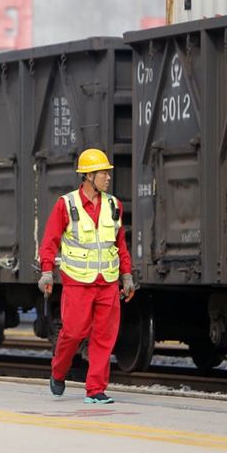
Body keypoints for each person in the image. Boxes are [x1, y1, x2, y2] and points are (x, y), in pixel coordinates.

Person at [38, 149, 135, 404]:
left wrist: (127, 275)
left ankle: (95, 390)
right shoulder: (66, 204)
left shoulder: (114, 205)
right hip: (78, 283)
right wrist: (47, 272)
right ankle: (58, 372)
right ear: (88, 176)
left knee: (104, 337)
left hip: (107, 284)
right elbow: (50, 241)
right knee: (73, 332)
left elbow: (120, 245)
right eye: (103, 172)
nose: (108, 177)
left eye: (107, 172)